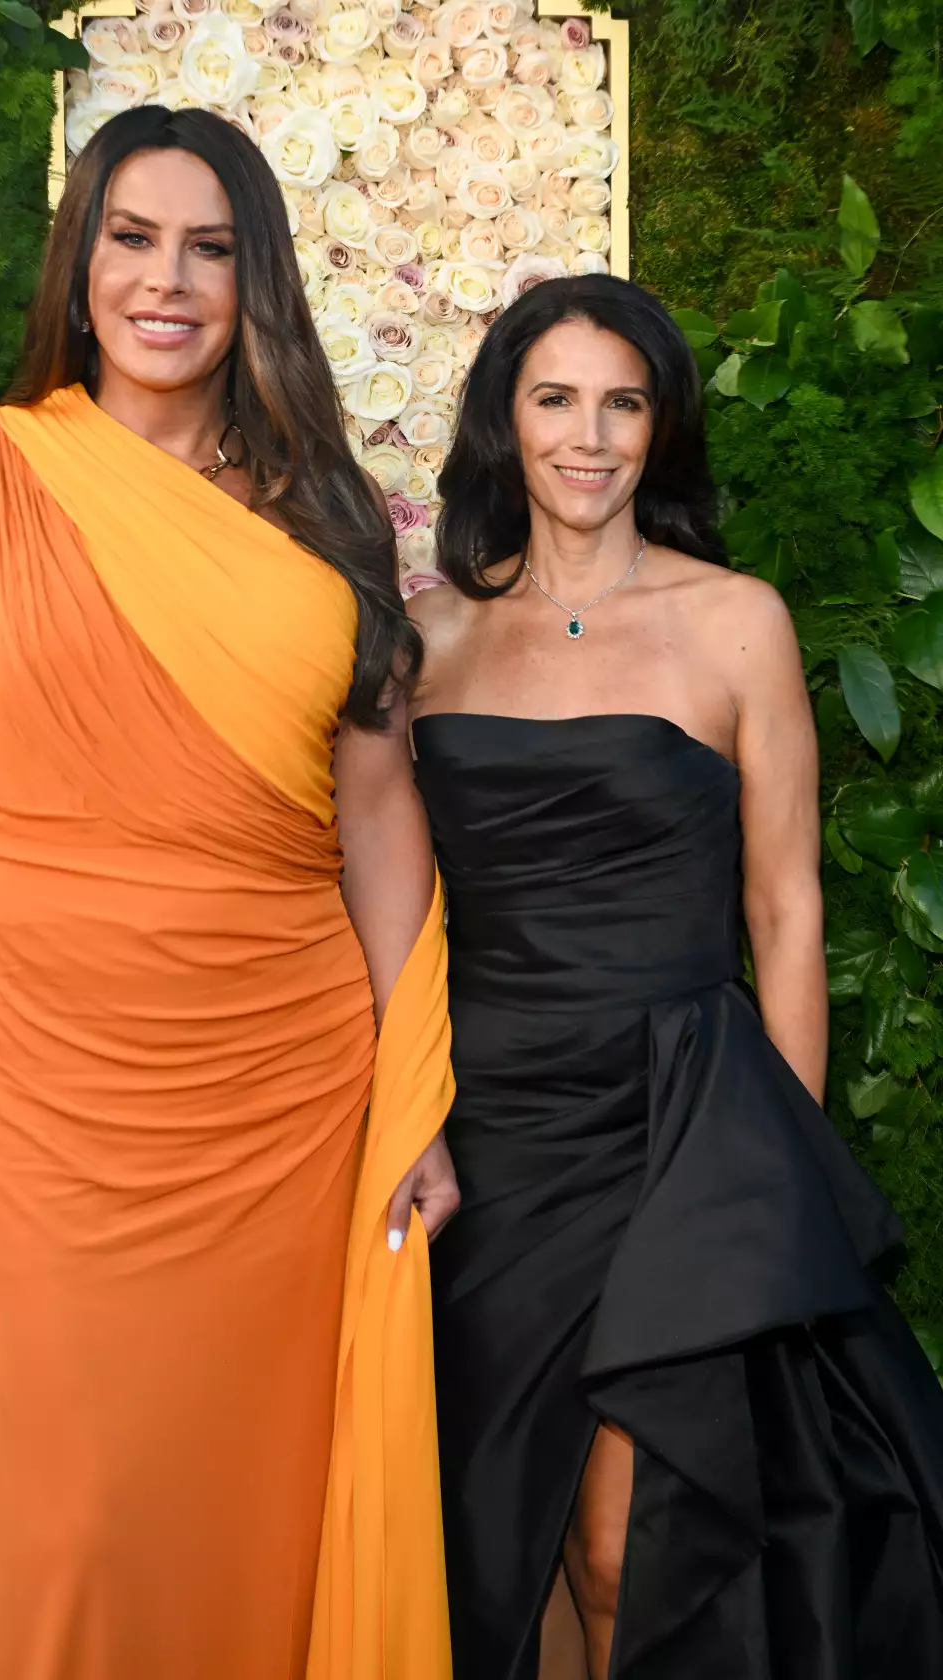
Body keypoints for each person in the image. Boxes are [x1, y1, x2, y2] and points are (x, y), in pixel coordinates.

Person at [0, 106, 459, 1680]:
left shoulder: (324, 520)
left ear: (256, 283)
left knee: (262, 1519)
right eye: (132, 237)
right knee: (75, 1537)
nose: (166, 281)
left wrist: (420, 1099)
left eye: (209, 248)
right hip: (25, 1101)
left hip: (284, 1111)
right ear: (80, 258)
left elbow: (379, 830)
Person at [408, 274, 943, 1680]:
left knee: (626, 1532)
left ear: (662, 426)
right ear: (503, 423)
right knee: (506, 1538)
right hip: (497, 1138)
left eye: (623, 402)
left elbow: (786, 908)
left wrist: (783, 1174)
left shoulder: (736, 623)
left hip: (682, 1125)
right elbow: (385, 908)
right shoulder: (431, 638)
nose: (590, 438)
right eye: (555, 400)